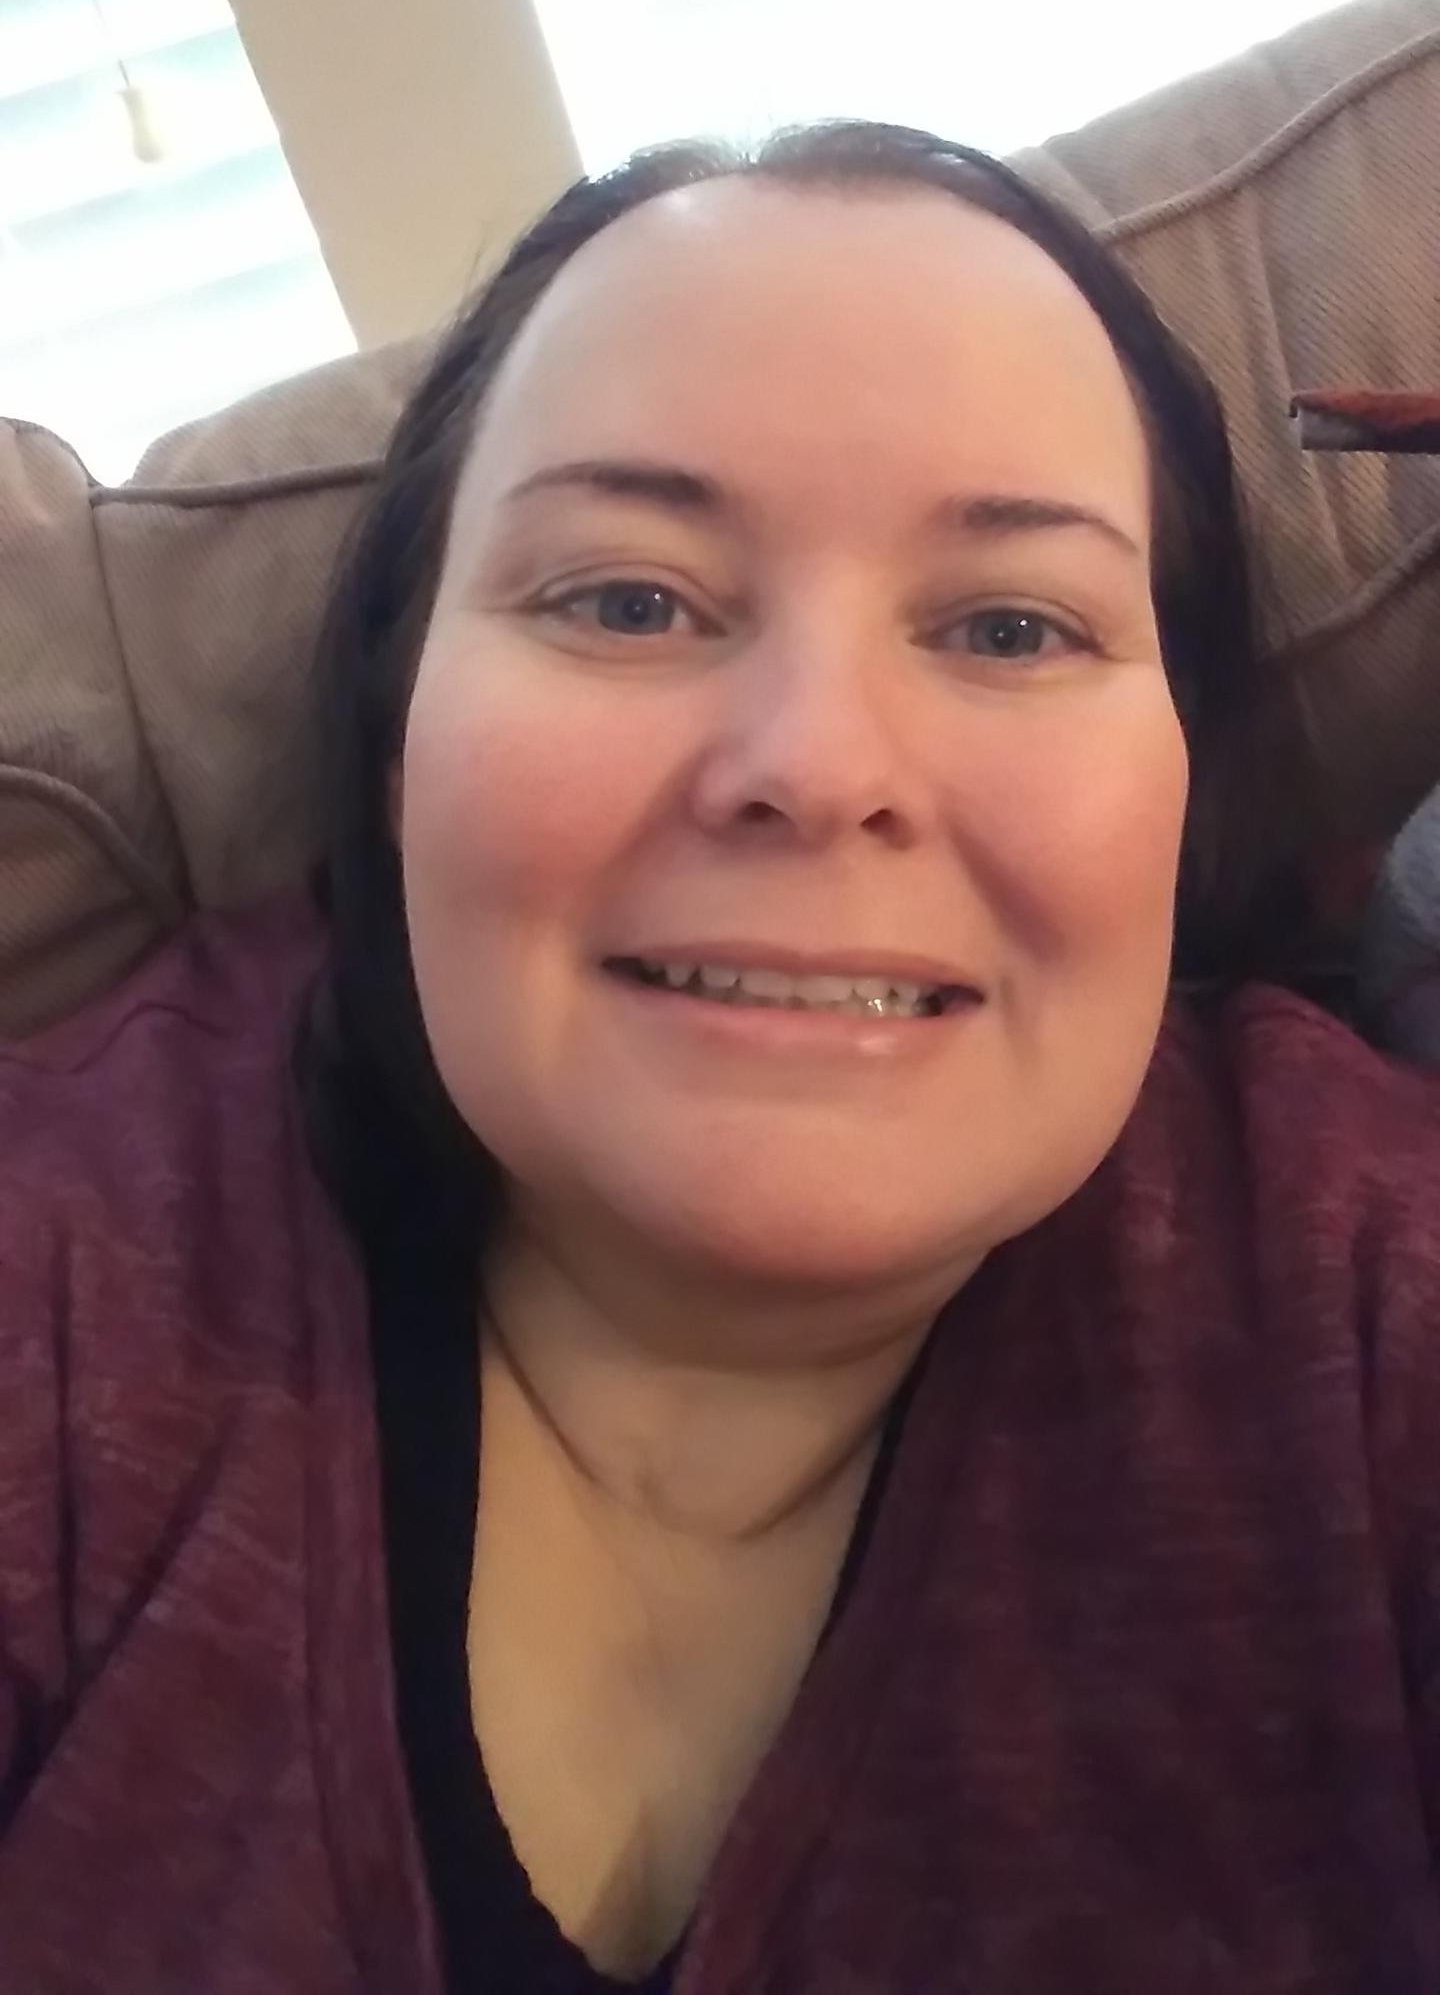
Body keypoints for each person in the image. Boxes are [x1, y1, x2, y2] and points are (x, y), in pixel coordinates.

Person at [2, 121, 1439, 1995]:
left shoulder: (1369, 1294)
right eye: (629, 600)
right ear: (399, 741)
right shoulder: (66, 1276)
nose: (816, 765)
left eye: (1011, 626)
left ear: (1181, 794)